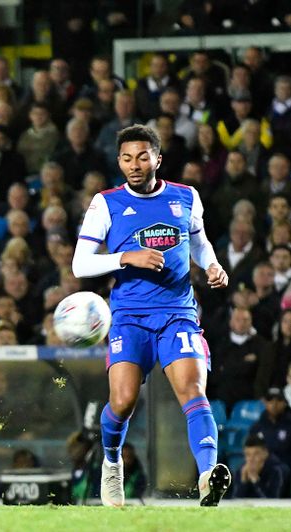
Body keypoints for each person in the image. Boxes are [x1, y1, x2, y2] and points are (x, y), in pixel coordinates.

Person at [72, 124, 231, 507]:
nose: (135, 165)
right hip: (129, 317)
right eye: (127, 158)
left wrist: (212, 265)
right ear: (119, 162)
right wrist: (126, 257)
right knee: (123, 401)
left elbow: (199, 243)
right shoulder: (105, 203)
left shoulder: (186, 196)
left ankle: (208, 475)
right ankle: (112, 462)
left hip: (178, 313)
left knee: (193, 391)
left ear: (158, 159)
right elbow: (80, 264)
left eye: (143, 157)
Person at [235, 434, 288, 499]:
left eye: (256, 454)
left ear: (266, 453)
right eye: (248, 454)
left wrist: (255, 480)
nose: (251, 459)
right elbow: (235, 502)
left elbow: (273, 502)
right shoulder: (241, 471)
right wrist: (243, 482)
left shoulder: (278, 471)